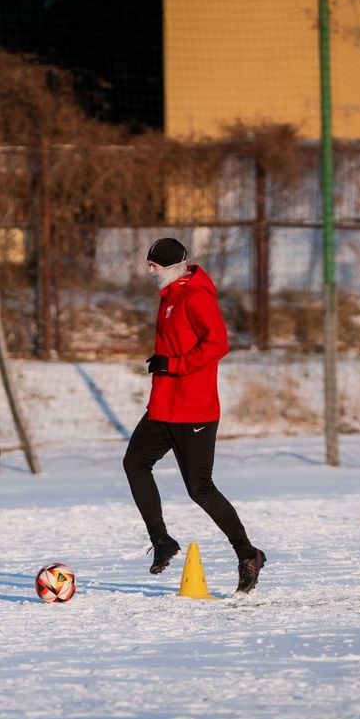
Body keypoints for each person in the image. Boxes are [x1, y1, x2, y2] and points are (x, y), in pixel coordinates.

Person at [122, 237, 266, 596]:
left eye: (154, 265)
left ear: (171, 267)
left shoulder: (195, 296)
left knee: (200, 489)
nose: (149, 270)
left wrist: (175, 365)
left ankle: (248, 555)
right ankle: (162, 540)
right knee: (135, 462)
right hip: (163, 406)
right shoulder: (170, 296)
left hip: (194, 410)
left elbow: (218, 344)